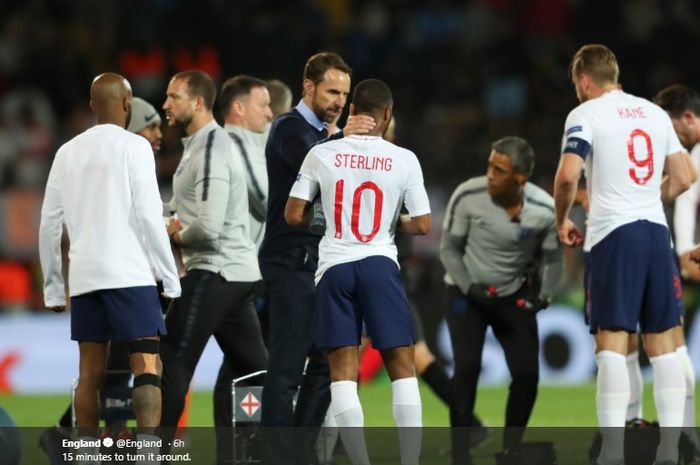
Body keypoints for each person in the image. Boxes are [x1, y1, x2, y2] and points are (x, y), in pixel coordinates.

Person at [553, 44, 694, 465]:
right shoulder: (653, 113)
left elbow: (566, 175)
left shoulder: (585, 114)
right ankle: (669, 452)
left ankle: (612, 452)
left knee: (612, 342)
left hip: (614, 235)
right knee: (664, 343)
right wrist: (652, 196)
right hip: (656, 235)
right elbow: (686, 175)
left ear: (583, 80)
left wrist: (563, 219)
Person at [286, 77, 430, 465]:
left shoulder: (322, 153)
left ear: (352, 111)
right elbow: (421, 223)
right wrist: (388, 219)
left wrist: (327, 215)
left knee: (342, 374)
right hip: (380, 263)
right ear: (388, 114)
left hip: (334, 266)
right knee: (402, 367)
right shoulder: (404, 159)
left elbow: (293, 213)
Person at [38, 73, 180, 460]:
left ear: (91, 107)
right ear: (127, 103)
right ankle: (149, 452)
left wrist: (53, 288)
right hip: (130, 274)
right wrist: (169, 277)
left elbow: (49, 223)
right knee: (147, 366)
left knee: (90, 375)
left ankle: (85, 453)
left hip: (85, 278)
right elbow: (150, 217)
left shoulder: (67, 152)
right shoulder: (135, 147)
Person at [259, 51, 373, 441]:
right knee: (289, 365)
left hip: (323, 260)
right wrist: (346, 137)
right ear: (308, 87)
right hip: (290, 259)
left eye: (344, 92)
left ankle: (302, 448)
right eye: (331, 91)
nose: (339, 100)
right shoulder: (288, 128)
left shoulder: (330, 136)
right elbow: (313, 160)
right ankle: (277, 452)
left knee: (328, 361)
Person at [158, 70, 268, 464]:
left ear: (199, 102)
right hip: (236, 276)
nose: (165, 104)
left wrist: (174, 235)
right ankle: (248, 449)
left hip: (215, 271)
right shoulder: (199, 147)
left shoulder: (210, 149)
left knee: (171, 362)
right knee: (253, 369)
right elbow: (186, 211)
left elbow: (208, 226)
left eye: (174, 97)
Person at [440, 136, 562, 464]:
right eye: (490, 166)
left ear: (520, 179)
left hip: (512, 295)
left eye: (500, 169)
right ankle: (461, 456)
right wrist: (469, 286)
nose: (490, 174)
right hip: (467, 294)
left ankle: (510, 450)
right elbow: (448, 249)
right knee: (466, 368)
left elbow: (554, 258)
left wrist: (545, 294)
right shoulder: (468, 194)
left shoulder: (543, 209)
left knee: (527, 375)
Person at [653, 83, 700, 458]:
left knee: (671, 342)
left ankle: (685, 439)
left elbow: (686, 200)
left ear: (687, 118)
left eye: (669, 125)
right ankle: (686, 438)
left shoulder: (692, 160)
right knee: (675, 343)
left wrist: (685, 254)